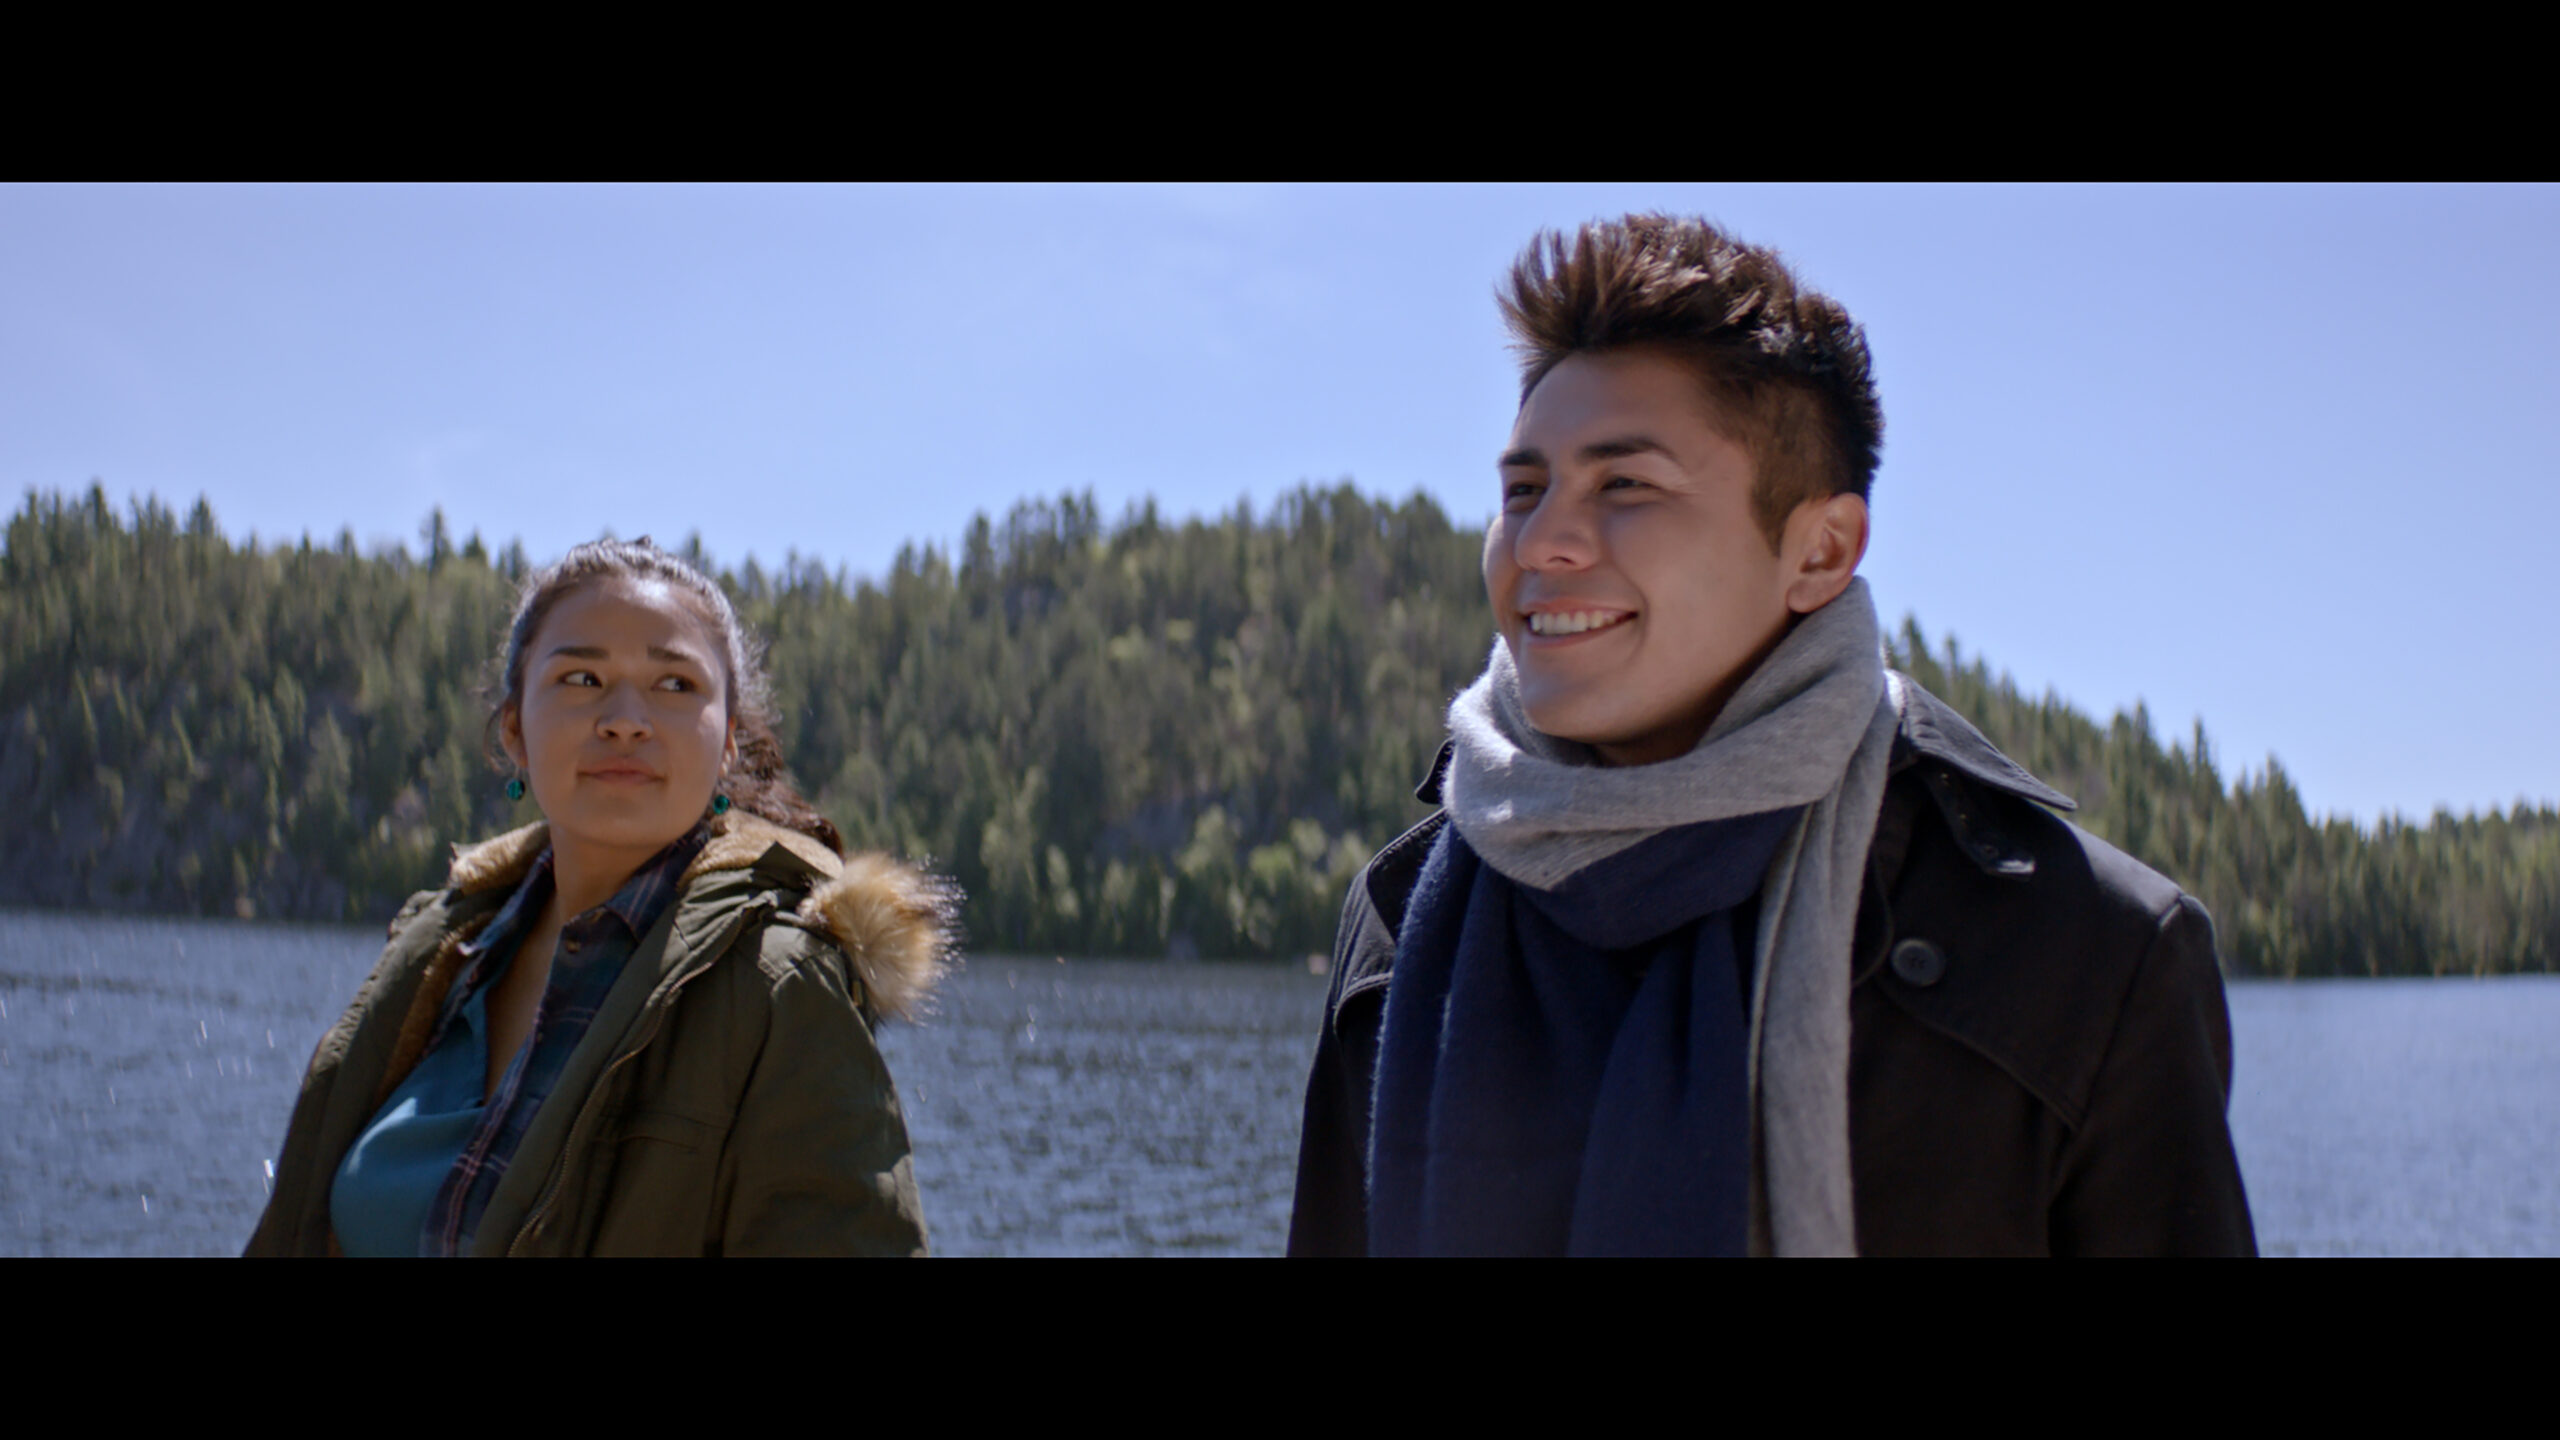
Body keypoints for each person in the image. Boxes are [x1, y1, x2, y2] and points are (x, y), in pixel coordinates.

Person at [1287, 214, 2257, 1256]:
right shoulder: (1401, 918)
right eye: (1523, 489)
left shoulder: (2082, 956)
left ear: (1819, 551)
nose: (1542, 541)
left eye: (1625, 485)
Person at [247, 538, 954, 1256]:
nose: (625, 719)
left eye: (675, 684)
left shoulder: (778, 989)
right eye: (582, 678)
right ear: (515, 730)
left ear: (729, 744)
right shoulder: (442, 959)